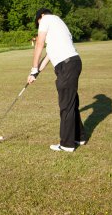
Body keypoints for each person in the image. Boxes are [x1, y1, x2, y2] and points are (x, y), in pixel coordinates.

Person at [27, 8, 86, 152]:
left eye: (38, 22)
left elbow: (39, 45)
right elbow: (48, 55)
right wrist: (35, 73)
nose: (39, 25)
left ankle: (66, 144)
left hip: (66, 66)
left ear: (41, 16)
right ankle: (80, 137)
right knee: (71, 103)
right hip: (73, 63)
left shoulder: (46, 19)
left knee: (66, 106)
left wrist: (34, 67)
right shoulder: (59, 23)